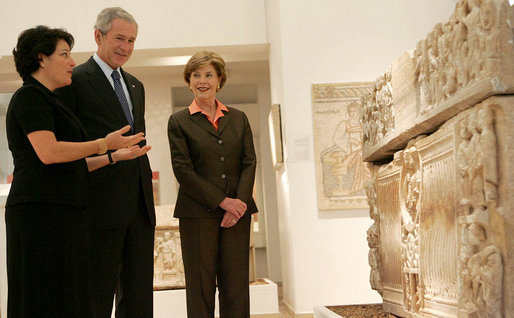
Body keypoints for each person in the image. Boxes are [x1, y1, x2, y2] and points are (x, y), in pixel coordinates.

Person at [5, 25, 147, 318]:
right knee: (42, 297)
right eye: (65, 54)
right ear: (42, 58)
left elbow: (69, 163)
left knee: (67, 299)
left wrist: (113, 157)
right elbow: (49, 152)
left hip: (63, 212)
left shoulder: (52, 100)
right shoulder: (29, 96)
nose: (72, 62)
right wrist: (101, 144)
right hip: (39, 214)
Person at [56, 7, 155, 318]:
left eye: (132, 40)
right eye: (119, 38)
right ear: (98, 36)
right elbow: (67, 145)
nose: (125, 47)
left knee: (138, 296)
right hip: (98, 206)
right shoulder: (75, 81)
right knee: (96, 295)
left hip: (139, 205)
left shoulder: (136, 85)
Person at [168, 51, 258, 317]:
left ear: (220, 79)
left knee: (236, 286)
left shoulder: (239, 118)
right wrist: (222, 201)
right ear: (189, 80)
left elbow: (249, 162)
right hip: (197, 215)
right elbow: (183, 170)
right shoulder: (179, 121)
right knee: (201, 287)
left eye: (208, 74)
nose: (202, 80)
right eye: (196, 75)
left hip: (238, 214)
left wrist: (238, 203)